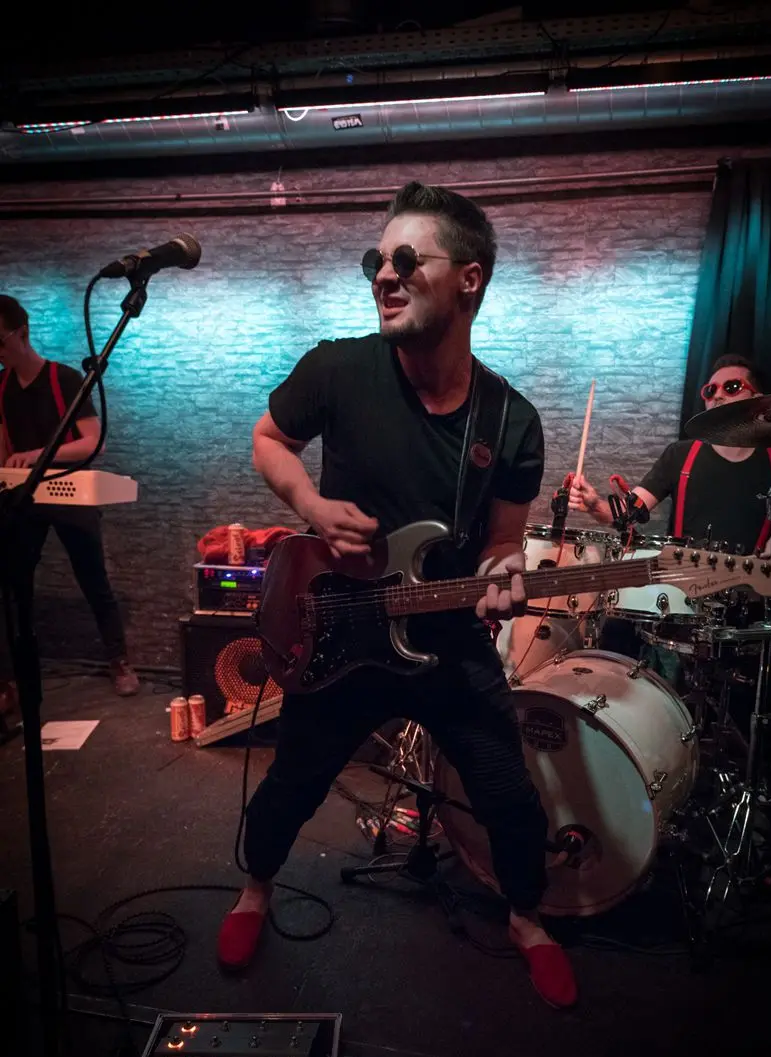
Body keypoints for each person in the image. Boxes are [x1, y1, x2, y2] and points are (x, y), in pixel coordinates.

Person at [217, 182, 577, 1008]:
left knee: (507, 794)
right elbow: (269, 440)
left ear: (468, 279)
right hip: (340, 630)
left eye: (407, 259)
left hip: (444, 639)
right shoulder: (337, 368)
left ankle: (526, 918)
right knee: (291, 783)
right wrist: (309, 505)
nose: (383, 274)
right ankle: (254, 889)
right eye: (375, 261)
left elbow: (501, 543)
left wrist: (501, 576)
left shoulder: (510, 420)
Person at [568, 353, 771, 776]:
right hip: (683, 592)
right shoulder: (682, 454)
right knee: (616, 627)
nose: (717, 396)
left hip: (751, 596)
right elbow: (629, 513)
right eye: (709, 390)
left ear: (760, 399)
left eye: (732, 387)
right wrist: (596, 504)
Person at [0, 295, 139, 697]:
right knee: (13, 584)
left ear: (23, 333)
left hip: (68, 490)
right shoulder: (2, 386)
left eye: (0, 341)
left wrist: (39, 455)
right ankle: (12, 677)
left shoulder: (63, 379)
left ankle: (119, 660)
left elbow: (93, 442)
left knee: (93, 578)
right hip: (22, 494)